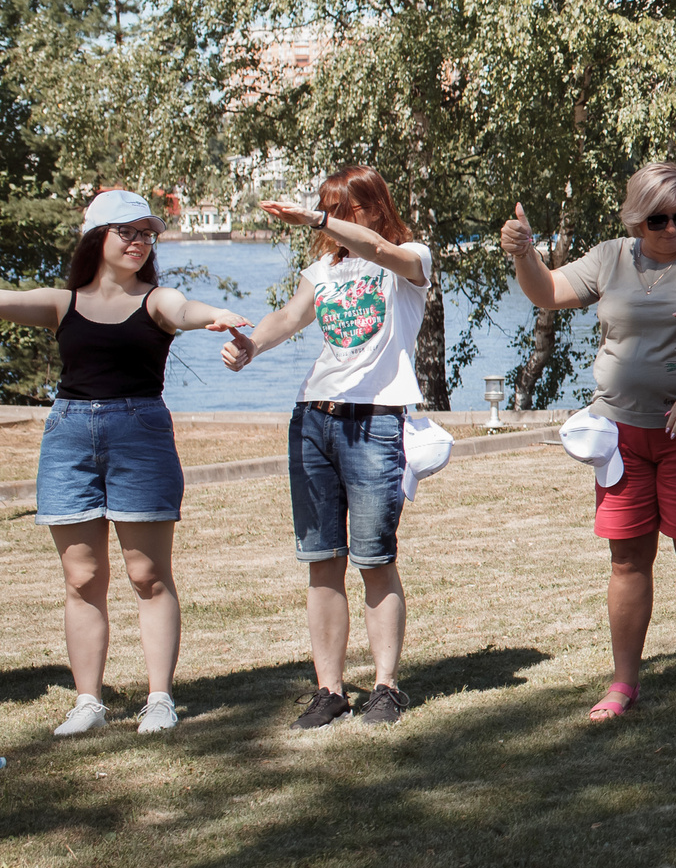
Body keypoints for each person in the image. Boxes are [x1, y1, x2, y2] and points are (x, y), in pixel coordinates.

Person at [501, 163, 676, 720]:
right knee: (626, 558)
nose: (672, 229)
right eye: (658, 219)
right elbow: (547, 293)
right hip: (619, 436)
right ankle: (623, 684)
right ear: (636, 218)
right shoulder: (610, 257)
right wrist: (525, 254)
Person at [0, 190, 250, 735]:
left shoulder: (156, 299)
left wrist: (215, 316)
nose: (139, 242)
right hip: (68, 439)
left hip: (140, 435)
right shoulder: (61, 303)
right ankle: (87, 702)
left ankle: (159, 698)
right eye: (127, 232)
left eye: (147, 233)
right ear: (97, 239)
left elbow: (183, 311)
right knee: (82, 577)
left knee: (148, 574)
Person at [220, 168, 435, 728]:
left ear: (374, 207)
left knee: (374, 559)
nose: (336, 218)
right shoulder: (322, 271)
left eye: (346, 208)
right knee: (322, 562)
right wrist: (250, 348)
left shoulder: (409, 259)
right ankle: (330, 690)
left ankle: (385, 687)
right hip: (313, 419)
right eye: (327, 207)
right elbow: (290, 317)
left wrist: (318, 220)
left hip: (374, 424)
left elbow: (382, 249)